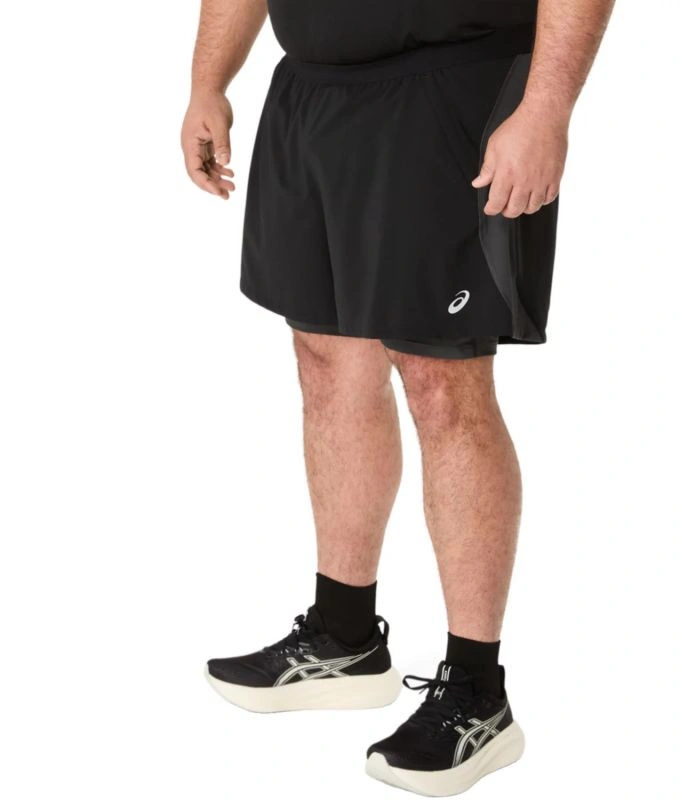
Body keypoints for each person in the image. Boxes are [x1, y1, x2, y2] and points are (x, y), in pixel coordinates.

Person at [181, 1, 614, 794]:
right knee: (324, 359)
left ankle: (478, 694)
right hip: (312, 92)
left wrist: (546, 109)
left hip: (449, 88)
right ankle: (344, 636)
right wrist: (208, 82)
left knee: (441, 382)